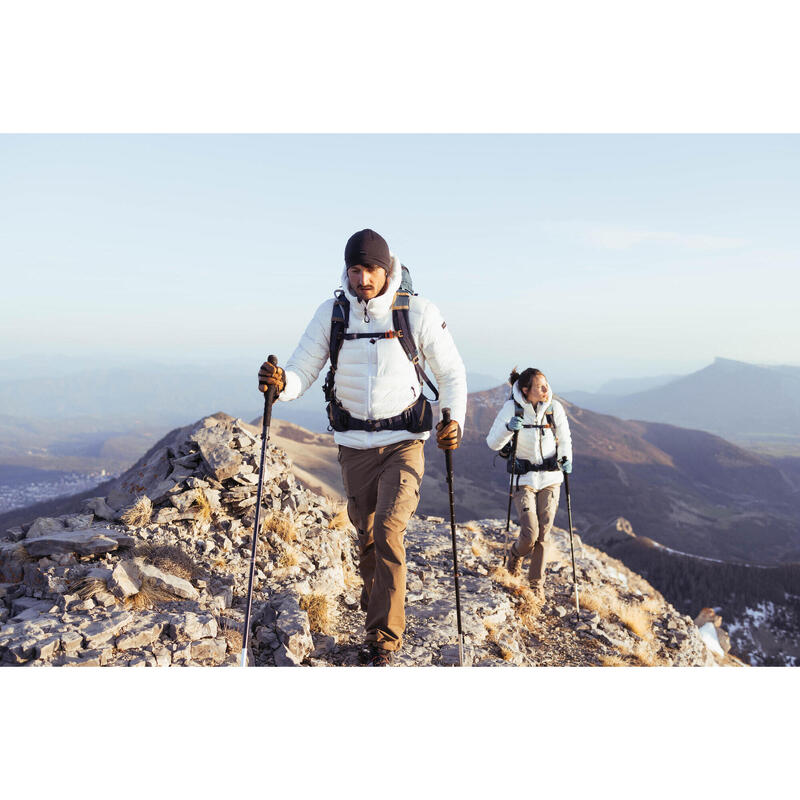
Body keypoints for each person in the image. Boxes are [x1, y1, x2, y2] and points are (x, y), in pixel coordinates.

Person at [258, 229, 467, 666]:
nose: (363, 279)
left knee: (390, 530)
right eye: (355, 269)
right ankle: (377, 626)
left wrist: (454, 422)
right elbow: (303, 367)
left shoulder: (418, 312)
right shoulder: (332, 313)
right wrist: (282, 385)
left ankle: (385, 639)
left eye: (371, 269)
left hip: (404, 442)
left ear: (387, 268)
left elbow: (451, 373)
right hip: (353, 445)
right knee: (368, 538)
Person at [485, 367, 573, 602]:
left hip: (551, 478)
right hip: (523, 478)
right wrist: (508, 429)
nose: (546, 390)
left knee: (544, 532)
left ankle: (536, 586)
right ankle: (515, 555)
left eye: (546, 385)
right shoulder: (510, 409)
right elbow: (492, 443)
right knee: (530, 533)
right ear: (526, 390)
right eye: (540, 387)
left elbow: (564, 439)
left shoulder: (555, 409)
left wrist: (566, 458)